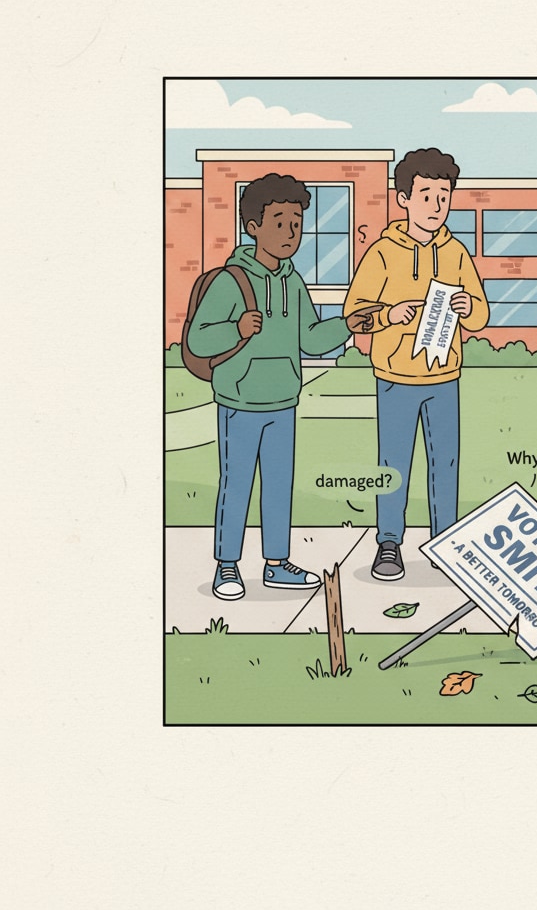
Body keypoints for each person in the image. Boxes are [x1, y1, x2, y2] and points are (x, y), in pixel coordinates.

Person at [187, 173, 353, 601]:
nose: (290, 233)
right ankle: (228, 565)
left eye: (296, 223)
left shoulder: (292, 282)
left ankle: (277, 564)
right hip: (240, 400)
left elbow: (309, 337)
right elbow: (198, 339)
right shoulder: (231, 281)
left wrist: (349, 325)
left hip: (284, 400)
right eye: (279, 222)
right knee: (236, 483)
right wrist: (236, 327)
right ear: (253, 226)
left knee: (279, 485)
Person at [344, 148, 489, 581]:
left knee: (445, 462)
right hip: (394, 379)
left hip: (444, 378)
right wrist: (391, 313)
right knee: (393, 464)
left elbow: (482, 315)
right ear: (403, 198)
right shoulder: (382, 254)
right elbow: (354, 315)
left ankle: (447, 542)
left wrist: (468, 306)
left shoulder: (457, 252)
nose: (436, 206)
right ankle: (389, 543)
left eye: (443, 196)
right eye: (426, 195)